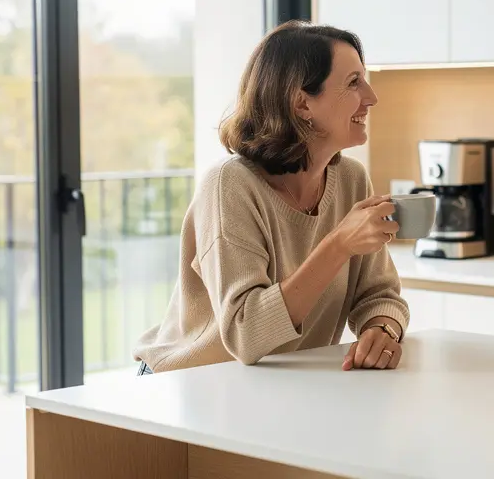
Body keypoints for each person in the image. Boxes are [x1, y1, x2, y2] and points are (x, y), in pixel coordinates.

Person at [133, 21, 410, 374]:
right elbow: (245, 333)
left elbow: (378, 293)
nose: (371, 97)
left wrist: (382, 328)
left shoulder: (352, 179)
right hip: (187, 383)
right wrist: (338, 244)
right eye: (354, 82)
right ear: (301, 103)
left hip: (277, 384)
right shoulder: (229, 185)